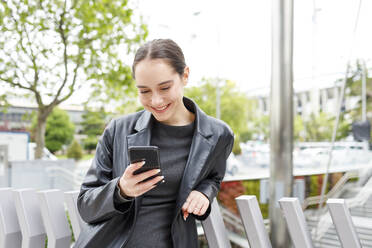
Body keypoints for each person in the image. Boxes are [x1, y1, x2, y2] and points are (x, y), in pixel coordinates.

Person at [74, 39, 234, 248]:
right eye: (144, 91)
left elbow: (213, 177)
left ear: (185, 75)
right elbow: (86, 205)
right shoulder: (117, 130)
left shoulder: (219, 135)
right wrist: (121, 190)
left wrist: (204, 192)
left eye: (165, 87)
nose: (156, 101)